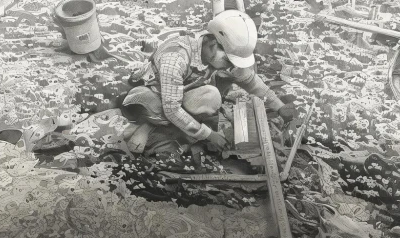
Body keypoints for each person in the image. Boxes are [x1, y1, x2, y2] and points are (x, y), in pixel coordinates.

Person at [119, 9, 297, 157]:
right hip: (150, 97)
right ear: (213, 43)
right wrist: (209, 134)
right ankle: (150, 125)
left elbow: (250, 80)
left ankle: (180, 127)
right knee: (197, 101)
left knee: (212, 94)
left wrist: (279, 105)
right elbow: (172, 109)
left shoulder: (218, 54)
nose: (231, 66)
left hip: (180, 94)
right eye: (228, 61)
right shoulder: (175, 58)